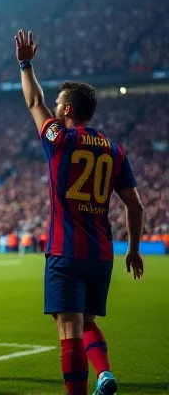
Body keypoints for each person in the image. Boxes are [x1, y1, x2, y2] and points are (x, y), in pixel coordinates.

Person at [14, 30, 145, 395]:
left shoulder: (58, 138)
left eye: (59, 103)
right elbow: (135, 205)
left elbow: (33, 100)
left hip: (65, 252)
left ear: (68, 109)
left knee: (68, 329)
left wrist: (26, 64)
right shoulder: (115, 150)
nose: (54, 106)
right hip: (101, 254)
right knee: (87, 321)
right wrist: (133, 249)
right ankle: (103, 374)